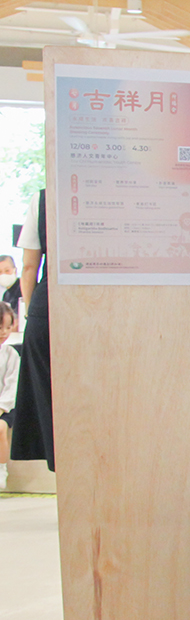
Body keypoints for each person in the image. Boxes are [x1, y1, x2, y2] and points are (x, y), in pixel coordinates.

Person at [10, 191, 54, 471]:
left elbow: (29, 267)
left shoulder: (44, 198)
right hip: (116, 302)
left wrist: (29, 313)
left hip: (50, 303)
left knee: (51, 399)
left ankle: (64, 473)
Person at [0, 302, 20, 490]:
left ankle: (1, 470)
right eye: (0, 327)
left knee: (0, 428)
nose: (4, 333)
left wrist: (1, 407)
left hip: (5, 408)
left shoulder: (10, 354)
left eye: (8, 327)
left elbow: (12, 385)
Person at [0, 255, 21, 324]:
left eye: (7, 271)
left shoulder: (23, 288)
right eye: (0, 272)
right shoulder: (6, 294)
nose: (3, 275)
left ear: (15, 270)